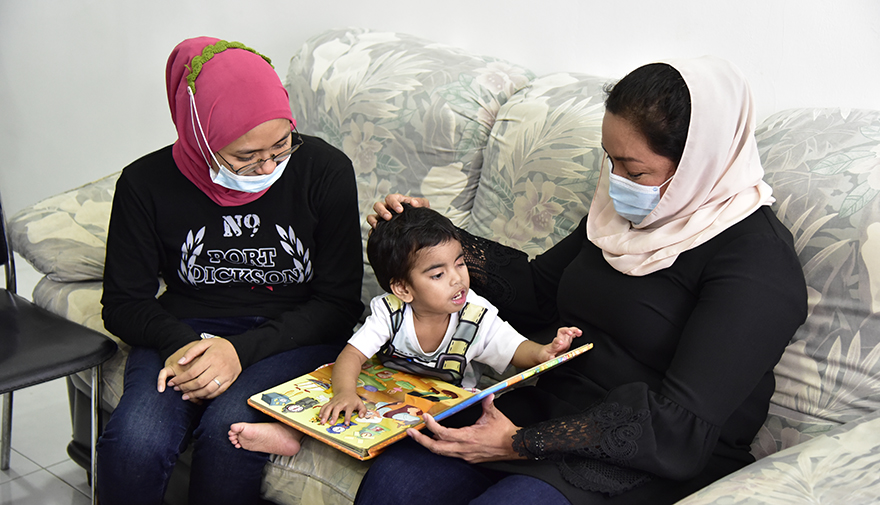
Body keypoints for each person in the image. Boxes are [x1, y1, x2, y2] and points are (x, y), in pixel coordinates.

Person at [356, 56, 808, 505]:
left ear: (699, 163)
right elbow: (537, 295)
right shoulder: (619, 217)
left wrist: (520, 442)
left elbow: (681, 427)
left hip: (648, 451)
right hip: (555, 407)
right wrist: (432, 241)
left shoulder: (758, 261)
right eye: (610, 161)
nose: (616, 182)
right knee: (396, 481)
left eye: (634, 171)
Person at [97, 37, 364, 505]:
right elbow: (123, 303)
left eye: (281, 146)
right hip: (187, 329)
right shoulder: (144, 183)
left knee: (230, 432)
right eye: (245, 156)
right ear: (200, 135)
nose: (267, 167)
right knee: (136, 441)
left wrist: (238, 352)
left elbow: (338, 304)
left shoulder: (324, 171)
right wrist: (185, 347)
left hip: (294, 334)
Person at [227, 204, 582, 454]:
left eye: (460, 264)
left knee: (451, 422)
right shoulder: (390, 311)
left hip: (443, 406)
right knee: (335, 389)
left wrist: (545, 352)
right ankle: (291, 433)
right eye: (438, 274)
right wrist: (345, 393)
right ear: (403, 289)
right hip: (384, 391)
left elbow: (516, 349)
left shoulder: (475, 315)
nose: (458, 279)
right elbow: (351, 356)